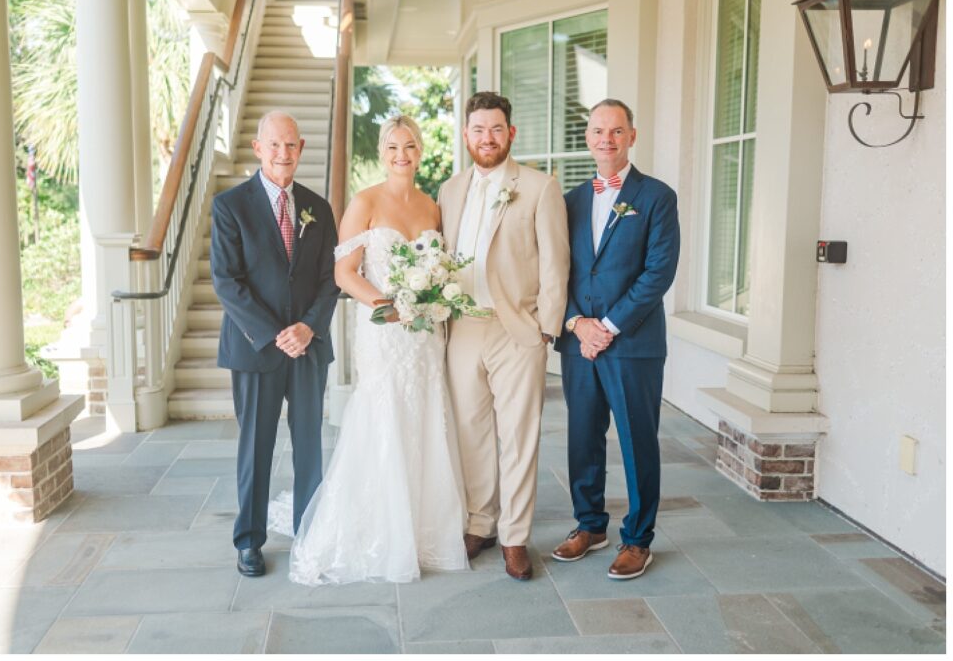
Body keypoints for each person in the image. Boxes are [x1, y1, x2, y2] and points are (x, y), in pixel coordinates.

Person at [287, 115, 469, 585]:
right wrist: (390, 304)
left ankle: (425, 529)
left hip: (426, 335)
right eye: (392, 147)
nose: (401, 155)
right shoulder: (365, 202)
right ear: (383, 152)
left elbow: (439, 269)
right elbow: (344, 272)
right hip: (384, 329)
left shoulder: (432, 207)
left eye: (409, 146)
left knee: (425, 415)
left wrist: (428, 299)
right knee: (384, 414)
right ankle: (377, 531)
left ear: (420, 150)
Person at [438, 92, 570, 581]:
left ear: (510, 133)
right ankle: (481, 523)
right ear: (466, 134)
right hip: (464, 325)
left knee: (519, 436)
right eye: (478, 129)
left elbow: (557, 262)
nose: (487, 138)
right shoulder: (449, 190)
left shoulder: (538, 187)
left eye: (496, 129)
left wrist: (546, 329)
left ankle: (515, 536)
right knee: (471, 433)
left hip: (517, 329)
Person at [552, 99, 680, 580]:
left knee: (636, 440)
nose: (607, 139)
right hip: (577, 342)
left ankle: (637, 538)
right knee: (582, 436)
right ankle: (589, 525)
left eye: (617, 131)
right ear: (587, 138)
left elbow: (657, 273)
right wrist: (575, 323)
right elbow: (555, 271)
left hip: (633, 343)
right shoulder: (569, 201)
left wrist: (606, 327)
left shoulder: (657, 197)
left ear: (632, 136)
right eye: (598, 131)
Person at [210, 110, 339, 577]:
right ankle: (249, 540)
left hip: (308, 346)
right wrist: (273, 334)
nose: (284, 154)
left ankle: (310, 532)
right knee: (256, 445)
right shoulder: (230, 206)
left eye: (291, 145)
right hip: (255, 348)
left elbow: (331, 278)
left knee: (310, 444)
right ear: (257, 147)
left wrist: (308, 327)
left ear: (301, 148)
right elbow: (227, 282)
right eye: (275, 145)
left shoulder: (318, 208)